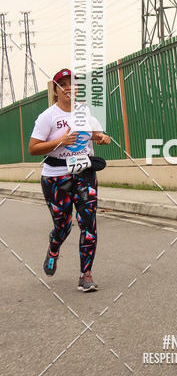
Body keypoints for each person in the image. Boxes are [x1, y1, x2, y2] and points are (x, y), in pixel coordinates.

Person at [29, 68, 110, 292]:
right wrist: (61, 141)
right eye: (62, 84)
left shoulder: (85, 114)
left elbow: (99, 135)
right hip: (56, 178)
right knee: (63, 226)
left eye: (72, 83)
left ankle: (86, 275)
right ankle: (54, 247)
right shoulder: (48, 117)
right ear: (56, 90)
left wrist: (103, 138)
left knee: (89, 224)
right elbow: (33, 149)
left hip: (84, 174)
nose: (68, 88)